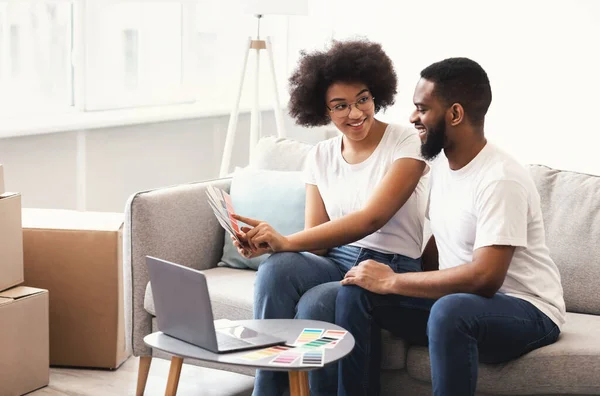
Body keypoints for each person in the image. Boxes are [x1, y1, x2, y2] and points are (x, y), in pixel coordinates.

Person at [335, 57, 566, 396]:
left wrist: (395, 280)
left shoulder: (500, 178)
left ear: (455, 114)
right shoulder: (440, 165)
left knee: (450, 309)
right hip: (460, 306)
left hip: (526, 311)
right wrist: (389, 280)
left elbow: (485, 279)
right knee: (358, 291)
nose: (413, 118)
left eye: (422, 109)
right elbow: (437, 244)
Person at [231, 40, 429, 396]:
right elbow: (319, 241)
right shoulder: (320, 155)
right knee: (275, 268)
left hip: (390, 264)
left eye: (362, 100)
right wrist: (267, 246)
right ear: (322, 110)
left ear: (376, 95)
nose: (354, 114)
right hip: (336, 259)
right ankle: (268, 390)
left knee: (315, 302)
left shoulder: (407, 144)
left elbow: (372, 218)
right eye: (340, 106)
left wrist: (286, 240)